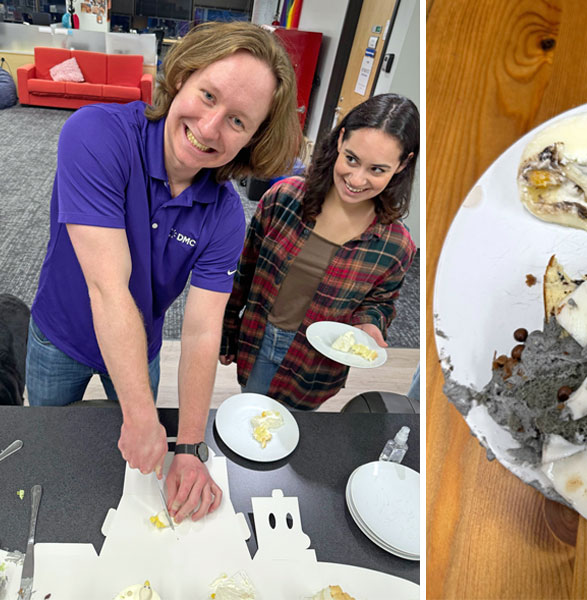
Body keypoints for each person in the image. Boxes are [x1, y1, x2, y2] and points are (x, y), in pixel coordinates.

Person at [26, 21, 299, 523]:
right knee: (43, 448)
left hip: (138, 346)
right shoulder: (96, 136)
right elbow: (108, 289)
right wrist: (140, 416)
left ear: (253, 139)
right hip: (58, 334)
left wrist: (191, 449)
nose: (211, 128)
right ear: (180, 79)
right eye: (208, 95)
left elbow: (199, 333)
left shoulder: (222, 216)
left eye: (238, 121)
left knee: (139, 470)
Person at [220, 94, 418, 409]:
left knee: (300, 435)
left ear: (402, 165)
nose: (356, 179)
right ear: (340, 139)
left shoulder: (396, 245)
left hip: (315, 366)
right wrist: (227, 330)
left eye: (377, 170)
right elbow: (243, 271)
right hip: (259, 338)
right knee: (253, 415)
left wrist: (370, 325)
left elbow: (379, 302)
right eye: (351, 159)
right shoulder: (283, 199)